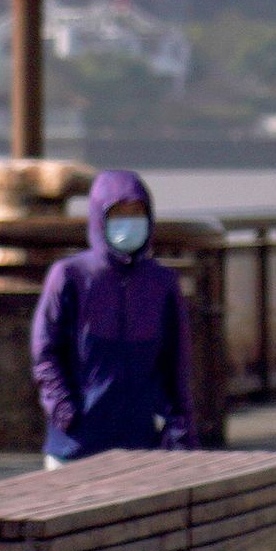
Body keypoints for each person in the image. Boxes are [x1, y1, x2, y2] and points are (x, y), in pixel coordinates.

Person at [32, 168, 195, 464]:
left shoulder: (162, 284)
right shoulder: (70, 276)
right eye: (118, 214)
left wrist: (181, 430)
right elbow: (45, 352)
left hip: (141, 444)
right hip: (74, 446)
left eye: (137, 213)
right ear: (99, 218)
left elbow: (176, 365)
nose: (129, 223)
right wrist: (64, 411)